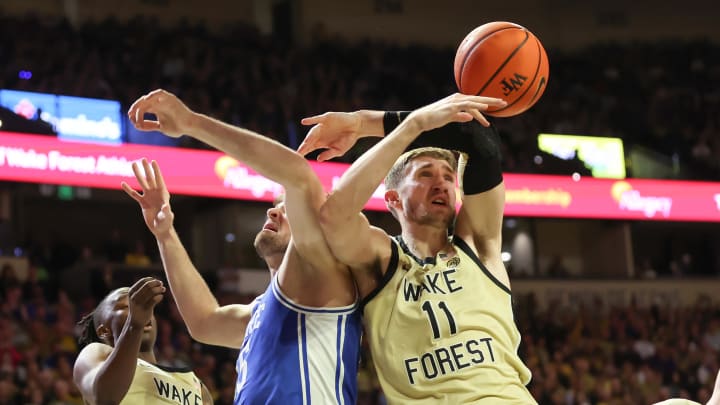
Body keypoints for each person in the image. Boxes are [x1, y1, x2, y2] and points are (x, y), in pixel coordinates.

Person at [124, 89, 376, 404]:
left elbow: (299, 175)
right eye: (275, 205)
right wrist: (165, 233)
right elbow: (205, 321)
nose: (273, 211)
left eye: (288, 209)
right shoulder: (265, 310)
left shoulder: (324, 275)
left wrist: (191, 122)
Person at [298, 93, 536, 403]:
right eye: (425, 175)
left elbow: (480, 139)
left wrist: (364, 123)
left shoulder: (479, 245)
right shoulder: (380, 258)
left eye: (449, 177)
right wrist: (412, 127)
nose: (441, 184)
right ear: (393, 198)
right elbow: (334, 215)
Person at [73, 277, 213, 404]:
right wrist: (134, 325)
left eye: (146, 306)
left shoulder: (196, 385)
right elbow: (104, 398)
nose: (142, 311)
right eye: (127, 306)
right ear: (104, 331)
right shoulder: (96, 353)